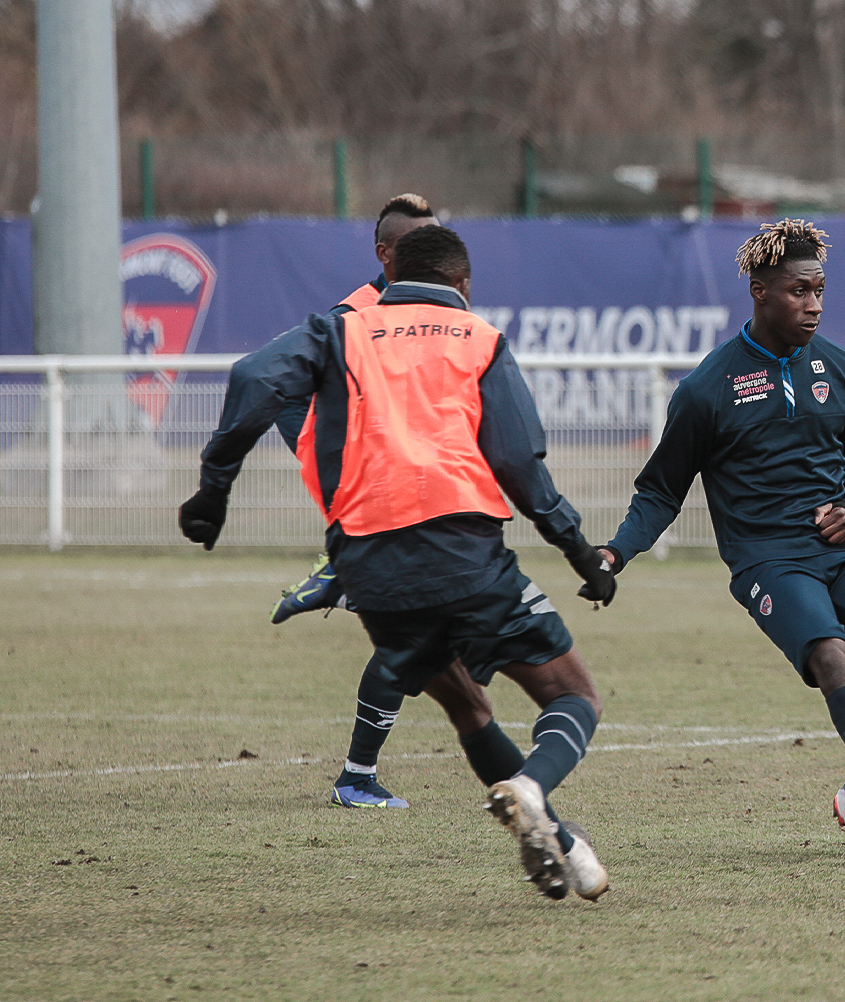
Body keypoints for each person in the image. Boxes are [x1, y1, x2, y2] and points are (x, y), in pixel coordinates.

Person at [178, 225, 619, 901]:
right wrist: (583, 555)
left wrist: (214, 489)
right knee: (573, 695)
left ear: (391, 277)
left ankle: (562, 844)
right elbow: (519, 465)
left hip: (371, 571)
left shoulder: (342, 329)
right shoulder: (477, 338)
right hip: (464, 554)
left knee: (469, 708)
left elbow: (252, 375)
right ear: (462, 283)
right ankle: (532, 787)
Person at [599, 218, 845, 865]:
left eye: (819, 290)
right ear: (760, 292)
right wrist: (614, 552)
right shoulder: (707, 389)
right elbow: (660, 490)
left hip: (843, 549)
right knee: (833, 658)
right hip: (768, 558)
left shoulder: (843, 369)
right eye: (799, 291)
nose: (814, 304)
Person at [270, 194, 492, 812]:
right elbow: (281, 389)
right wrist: (337, 475)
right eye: (419, 244)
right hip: (386, 502)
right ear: (386, 254)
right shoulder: (352, 316)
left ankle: (358, 774)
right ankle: (358, 775)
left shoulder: (437, 310)